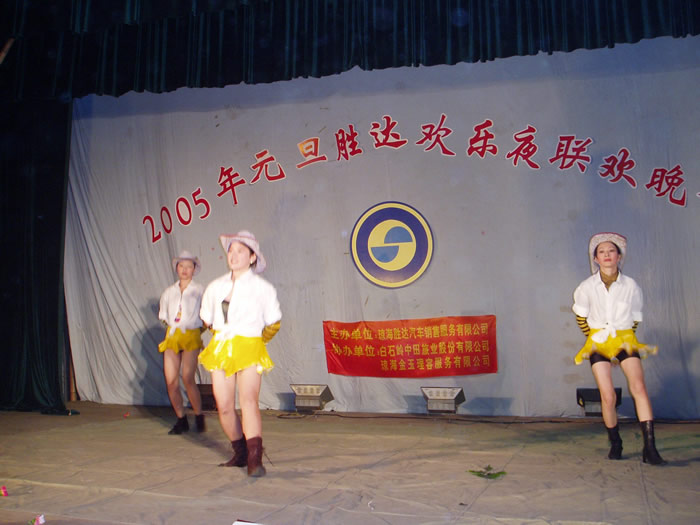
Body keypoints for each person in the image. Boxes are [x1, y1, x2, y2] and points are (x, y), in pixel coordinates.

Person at [572, 232, 664, 465]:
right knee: (608, 395)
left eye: (611, 251)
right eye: (601, 252)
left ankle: (650, 447)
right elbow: (581, 317)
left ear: (619, 256)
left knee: (639, 387)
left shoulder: (631, 285)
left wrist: (622, 338)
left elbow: (635, 319)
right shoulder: (586, 287)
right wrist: (595, 339)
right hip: (598, 340)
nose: (607, 255)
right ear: (595, 258)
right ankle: (616, 442)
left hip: (624, 338)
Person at [199, 231, 281, 477]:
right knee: (224, 406)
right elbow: (206, 319)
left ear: (253, 257)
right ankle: (241, 452)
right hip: (221, 348)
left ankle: (255, 459)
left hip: (250, 347)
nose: (233, 256)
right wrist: (221, 335)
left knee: (248, 401)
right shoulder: (215, 286)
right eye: (231, 251)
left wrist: (255, 342)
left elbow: (274, 322)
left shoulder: (263, 288)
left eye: (240, 251)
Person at [158, 250, 206, 434]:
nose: (185, 270)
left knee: (187, 377)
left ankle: (199, 415)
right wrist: (172, 328)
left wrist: (198, 330)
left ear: (194, 269)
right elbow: (164, 316)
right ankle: (181, 418)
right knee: (171, 381)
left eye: (189, 266)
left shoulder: (200, 290)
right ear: (176, 268)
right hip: (173, 336)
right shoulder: (169, 292)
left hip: (191, 334)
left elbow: (207, 314)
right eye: (181, 266)